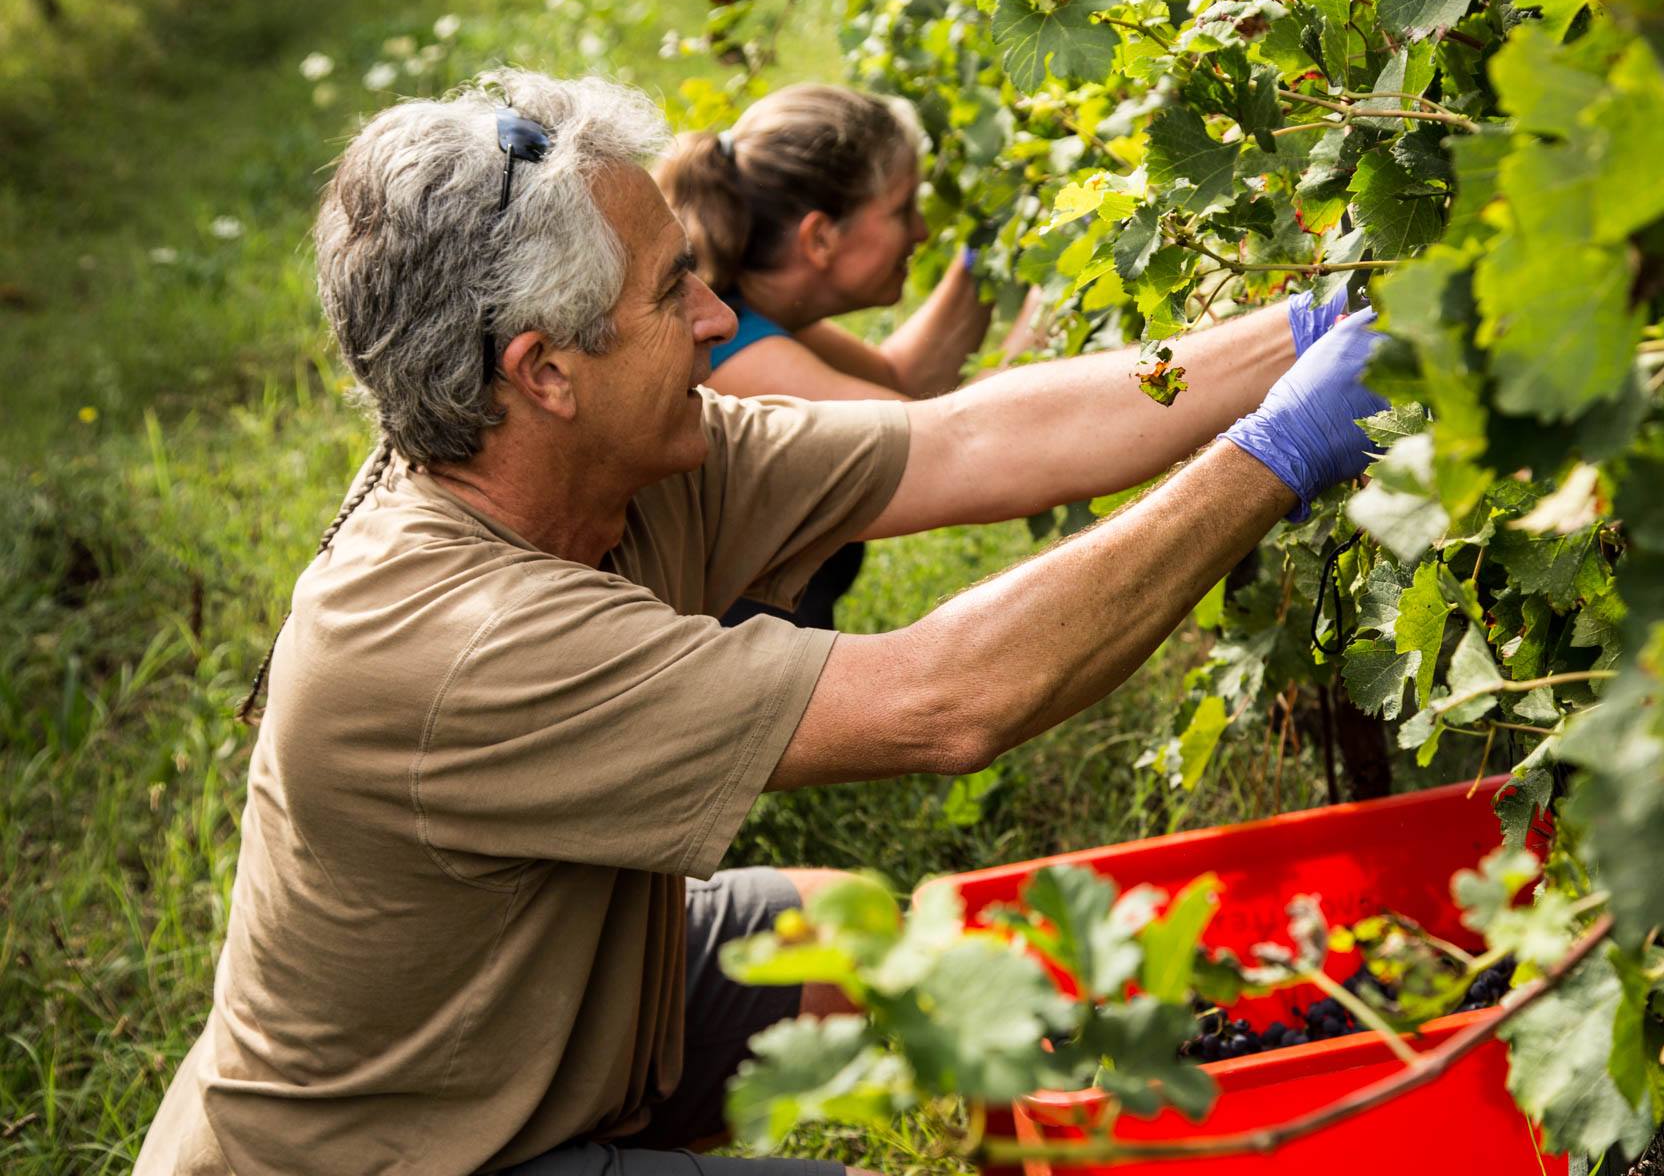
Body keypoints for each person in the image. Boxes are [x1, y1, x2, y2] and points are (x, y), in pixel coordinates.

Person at [134, 70, 1383, 1176]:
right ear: (545, 371)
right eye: (671, 292)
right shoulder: (460, 641)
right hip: (405, 1154)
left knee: (880, 947)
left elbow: (968, 436)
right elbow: (946, 699)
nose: (720, 320)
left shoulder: (621, 465)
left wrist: (1306, 334)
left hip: (533, 1021)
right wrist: (1273, 454)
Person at [655, 84, 1042, 629]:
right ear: (820, 239)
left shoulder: (735, 310)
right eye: (902, 209)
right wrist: (1054, 303)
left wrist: (988, 251)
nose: (922, 230)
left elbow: (898, 379)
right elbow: (952, 445)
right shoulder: (732, 359)